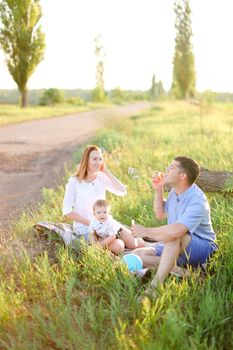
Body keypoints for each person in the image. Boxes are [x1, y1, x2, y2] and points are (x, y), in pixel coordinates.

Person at [131, 156, 218, 293]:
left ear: (182, 176)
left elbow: (176, 232)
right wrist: (158, 189)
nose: (166, 169)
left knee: (173, 237)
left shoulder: (197, 201)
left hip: (203, 247)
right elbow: (160, 214)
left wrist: (146, 231)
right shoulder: (174, 192)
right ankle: (187, 273)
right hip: (176, 244)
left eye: (172, 167)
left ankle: (154, 288)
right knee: (137, 254)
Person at [63, 144, 145, 250]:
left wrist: (105, 170)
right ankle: (108, 244)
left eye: (100, 159)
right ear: (86, 160)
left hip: (106, 223)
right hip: (87, 228)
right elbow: (67, 211)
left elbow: (122, 191)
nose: (98, 162)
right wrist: (92, 223)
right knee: (118, 246)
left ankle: (117, 238)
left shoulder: (101, 177)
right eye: (94, 159)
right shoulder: (74, 181)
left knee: (139, 244)